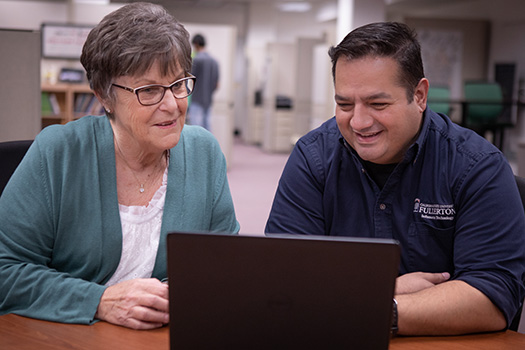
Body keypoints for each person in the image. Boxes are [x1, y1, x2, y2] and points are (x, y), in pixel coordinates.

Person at [265, 22, 525, 336]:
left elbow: (493, 297)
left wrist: (382, 309)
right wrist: (387, 290)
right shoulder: (313, 157)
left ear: (419, 95)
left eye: (378, 104)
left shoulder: (477, 167)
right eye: (344, 104)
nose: (358, 122)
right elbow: (285, 283)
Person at [0, 2, 239, 330]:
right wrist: (99, 300)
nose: (171, 105)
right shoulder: (58, 153)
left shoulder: (205, 153)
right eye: (149, 91)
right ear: (104, 96)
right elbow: (5, 270)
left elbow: (227, 265)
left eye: (179, 84)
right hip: (68, 337)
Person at [187, 33, 219, 131]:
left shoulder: (197, 60)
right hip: (208, 100)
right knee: (207, 127)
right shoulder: (214, 62)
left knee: (195, 128)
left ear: (196, 44)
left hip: (196, 99)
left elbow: (189, 80)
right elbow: (217, 84)